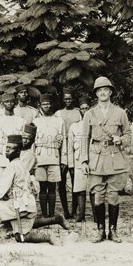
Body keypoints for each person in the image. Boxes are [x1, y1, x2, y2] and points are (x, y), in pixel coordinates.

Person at [0, 135, 69, 245]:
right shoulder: (20, 164)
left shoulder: (13, 166)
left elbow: (0, 190)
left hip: (19, 204)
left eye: (10, 148)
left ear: (18, 151)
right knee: (27, 223)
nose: (6, 151)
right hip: (26, 203)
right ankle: (56, 219)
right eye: (6, 148)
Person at [80, 76, 131, 243]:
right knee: (98, 195)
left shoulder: (120, 112)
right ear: (96, 93)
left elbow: (128, 135)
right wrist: (84, 160)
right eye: (99, 90)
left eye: (105, 90)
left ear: (110, 92)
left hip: (114, 158)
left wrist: (121, 140)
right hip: (96, 158)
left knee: (114, 195)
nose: (102, 93)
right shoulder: (89, 114)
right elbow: (84, 138)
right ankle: (100, 230)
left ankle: (113, 231)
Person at [33, 94, 68, 217]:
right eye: (44, 104)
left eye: (48, 104)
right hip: (40, 156)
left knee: (52, 187)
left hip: (54, 156)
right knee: (42, 187)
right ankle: (44, 214)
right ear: (40, 106)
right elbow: (32, 142)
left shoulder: (59, 121)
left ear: (51, 105)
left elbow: (63, 141)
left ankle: (51, 214)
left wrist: (64, 159)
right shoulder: (36, 121)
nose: (46, 106)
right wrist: (33, 160)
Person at [55, 87, 82, 217]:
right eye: (65, 99)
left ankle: (74, 209)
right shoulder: (58, 113)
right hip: (61, 149)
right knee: (61, 181)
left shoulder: (78, 113)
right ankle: (65, 210)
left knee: (75, 178)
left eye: (70, 98)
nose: (68, 101)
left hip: (75, 147)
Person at [0, 92, 26, 176]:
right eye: (7, 101)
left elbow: (24, 142)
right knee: (1, 184)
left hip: (16, 156)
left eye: (11, 101)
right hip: (1, 155)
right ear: (2, 104)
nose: (9, 103)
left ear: (15, 103)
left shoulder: (21, 121)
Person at [67, 96, 91, 222]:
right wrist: (70, 165)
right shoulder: (74, 126)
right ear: (79, 110)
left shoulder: (94, 125)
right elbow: (70, 147)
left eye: (87, 108)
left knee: (93, 187)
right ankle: (80, 214)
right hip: (78, 159)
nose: (85, 111)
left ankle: (97, 215)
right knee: (80, 188)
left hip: (93, 158)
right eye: (82, 109)